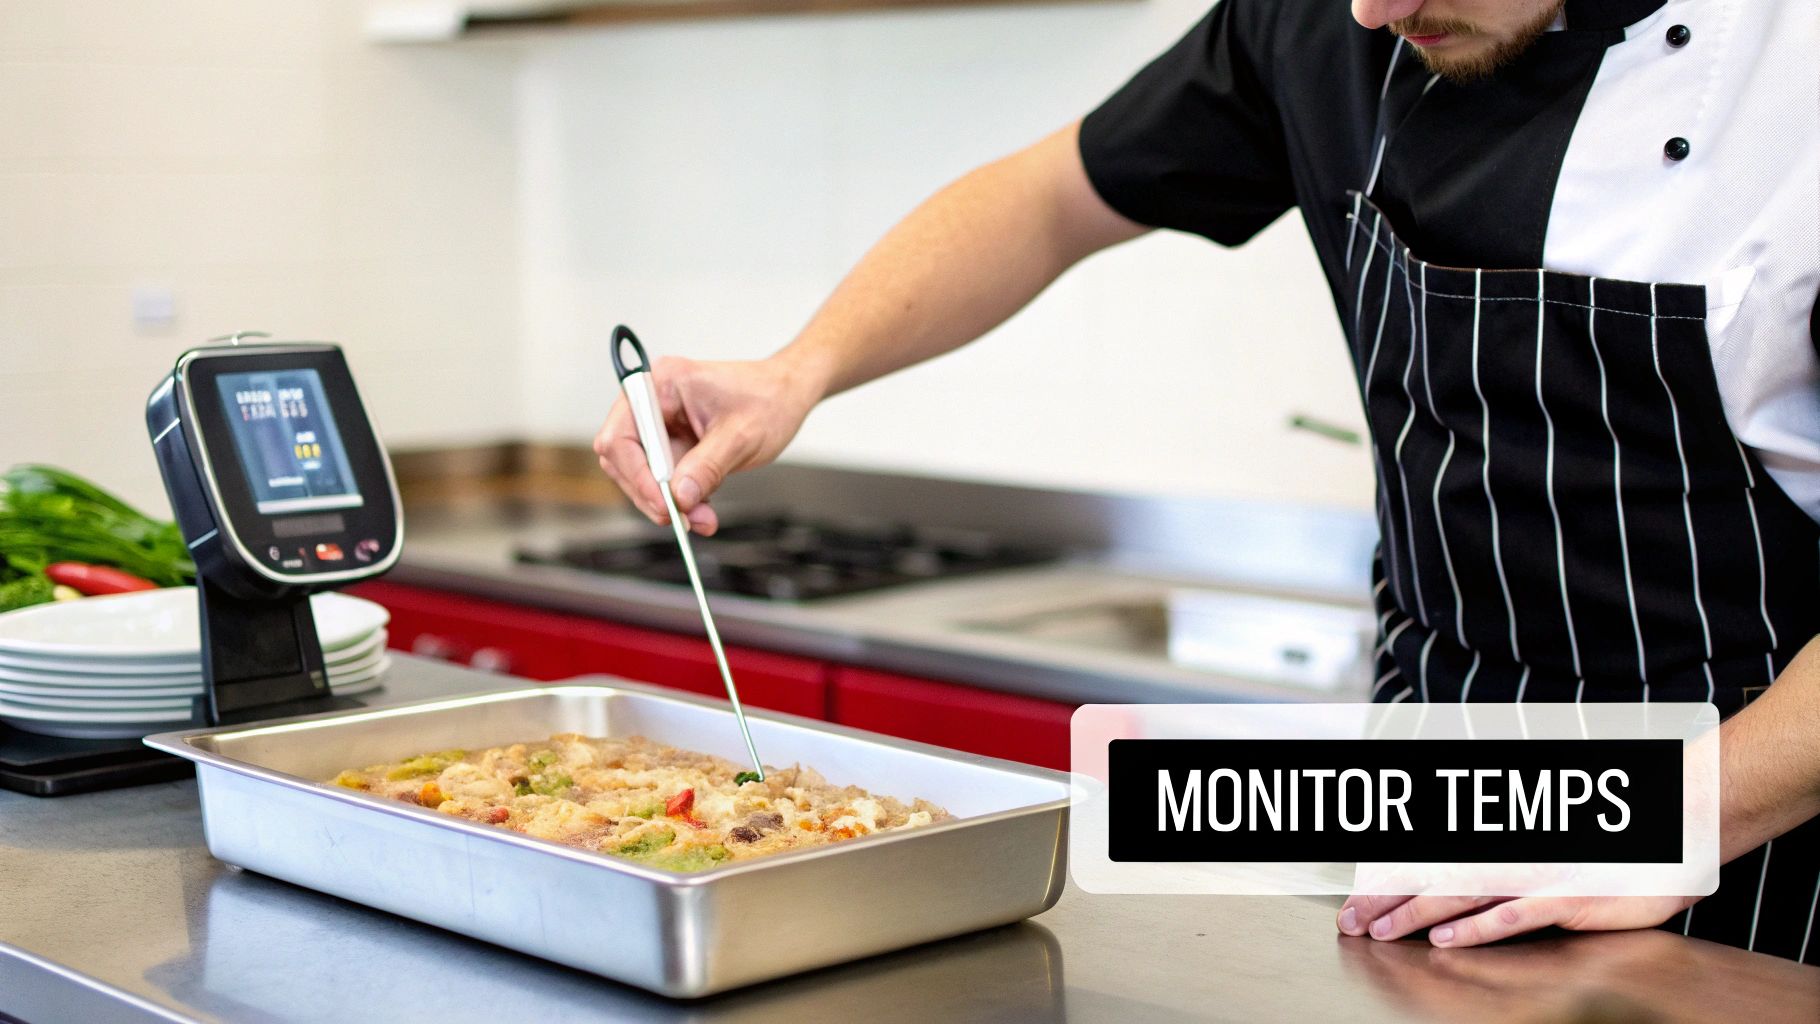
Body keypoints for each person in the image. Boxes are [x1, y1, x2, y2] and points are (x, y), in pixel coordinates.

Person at [596, 0, 1820, 962]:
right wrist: (799, 368)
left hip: (1766, 833)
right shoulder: (1328, 23)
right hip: (1435, 812)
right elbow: (1044, 198)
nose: (1370, 11)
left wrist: (1669, 813)